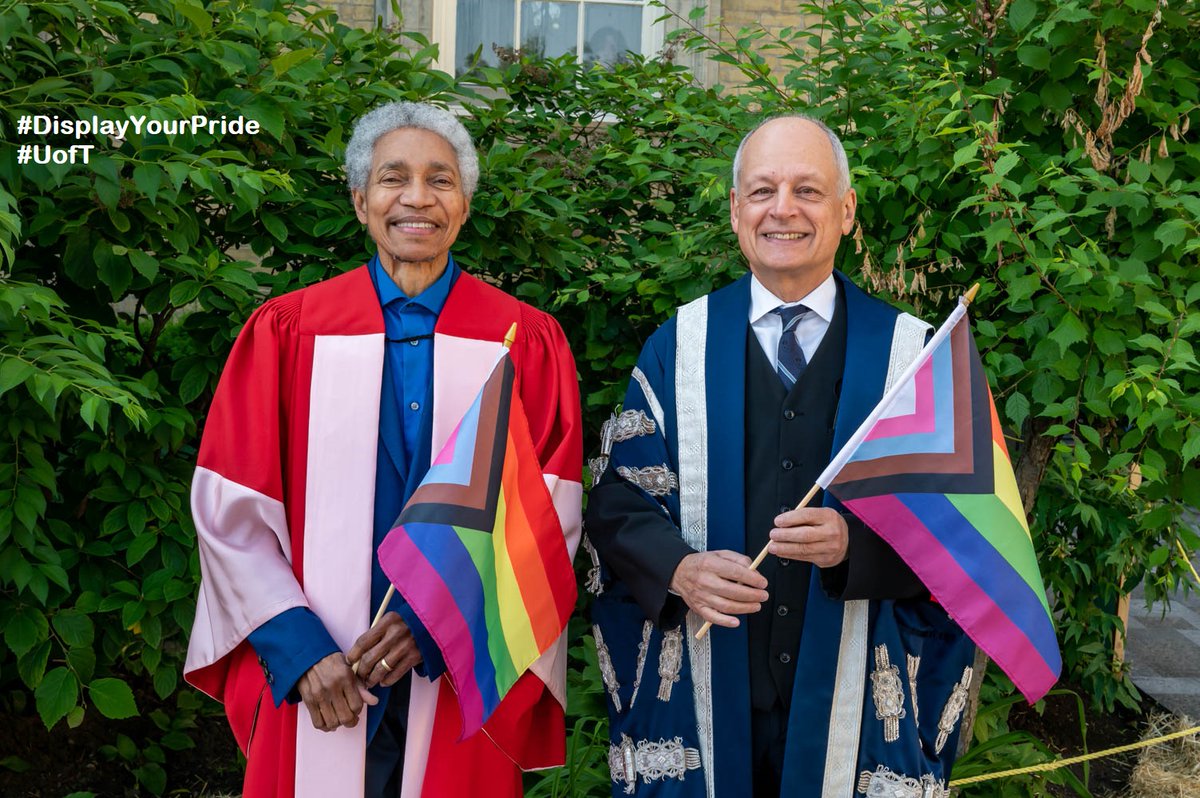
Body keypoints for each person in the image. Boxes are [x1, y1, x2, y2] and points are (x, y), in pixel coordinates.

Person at [184, 102, 583, 798]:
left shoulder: (525, 343)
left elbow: (547, 514)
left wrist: (437, 624)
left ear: (465, 204)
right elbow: (230, 509)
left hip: (456, 666)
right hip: (319, 670)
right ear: (360, 199)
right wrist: (298, 649)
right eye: (393, 178)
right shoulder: (286, 332)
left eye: (441, 180)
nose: (417, 198)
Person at [584, 115, 977, 798]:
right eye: (762, 190)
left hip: (859, 699)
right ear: (736, 210)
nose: (783, 208)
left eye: (809, 190)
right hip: (705, 693)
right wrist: (678, 568)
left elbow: (965, 536)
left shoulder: (913, 359)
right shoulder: (679, 346)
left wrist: (857, 548)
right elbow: (619, 502)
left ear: (847, 210)